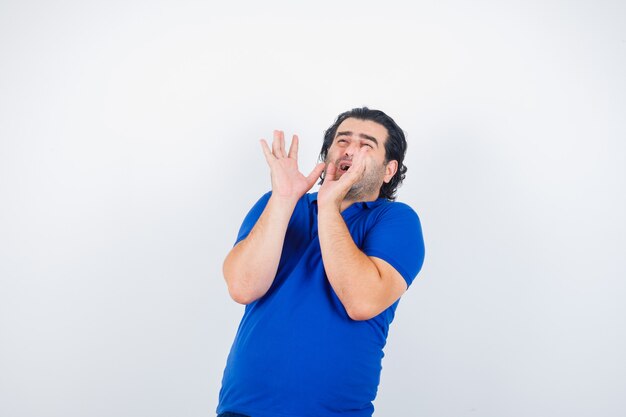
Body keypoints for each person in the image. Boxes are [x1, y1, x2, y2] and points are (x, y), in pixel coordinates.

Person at [217, 107, 425, 417]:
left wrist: (329, 206)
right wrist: (283, 199)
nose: (350, 150)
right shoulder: (279, 204)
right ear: (327, 154)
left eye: (366, 145)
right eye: (342, 141)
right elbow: (243, 287)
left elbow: (362, 301)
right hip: (241, 409)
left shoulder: (396, 220)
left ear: (388, 170)